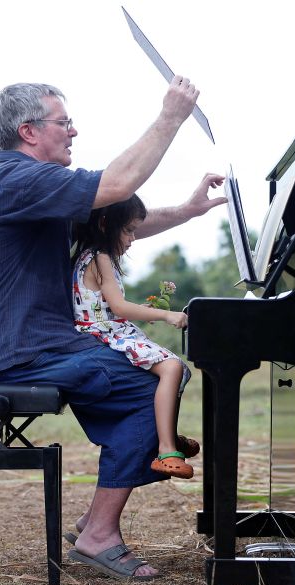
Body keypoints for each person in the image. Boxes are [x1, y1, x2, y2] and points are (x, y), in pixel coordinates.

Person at [0, 78, 225, 581]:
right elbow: (117, 185)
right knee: (150, 385)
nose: (73, 131)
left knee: (155, 380)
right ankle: (100, 531)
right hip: (17, 355)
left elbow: (115, 223)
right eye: (64, 122)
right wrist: (171, 115)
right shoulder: (20, 180)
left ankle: (103, 507)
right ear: (29, 131)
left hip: (42, 348)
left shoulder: (35, 190)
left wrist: (188, 212)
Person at [71, 195, 199, 480]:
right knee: (172, 367)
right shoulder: (101, 257)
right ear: (105, 224)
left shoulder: (87, 255)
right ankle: (166, 449)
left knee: (171, 367)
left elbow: (105, 305)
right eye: (128, 230)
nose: (132, 239)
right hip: (104, 334)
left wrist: (144, 310)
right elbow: (119, 308)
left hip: (105, 328)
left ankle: (167, 435)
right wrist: (166, 315)